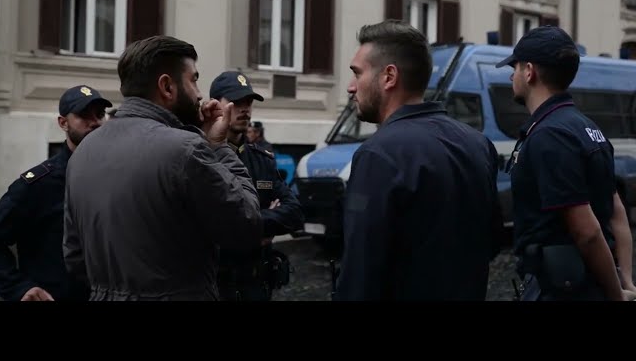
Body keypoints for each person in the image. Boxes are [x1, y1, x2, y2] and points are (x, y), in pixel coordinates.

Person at [63, 35, 262, 301]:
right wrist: (218, 145)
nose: (200, 94)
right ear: (167, 86)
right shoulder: (185, 149)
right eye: (193, 80)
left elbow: (75, 257)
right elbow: (245, 224)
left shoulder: (82, 152)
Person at [333, 20, 503, 301]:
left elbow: (361, 268)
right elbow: (493, 239)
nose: (351, 87)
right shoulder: (478, 143)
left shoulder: (378, 154)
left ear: (389, 76)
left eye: (357, 73)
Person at [496, 25, 636, 301]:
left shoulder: (548, 135)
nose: (511, 75)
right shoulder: (586, 126)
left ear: (529, 71)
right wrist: (626, 281)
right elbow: (616, 210)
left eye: (515, 67)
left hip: (562, 290)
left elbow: (587, 231)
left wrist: (616, 296)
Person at [0, 85, 112, 301]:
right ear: (63, 123)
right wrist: (19, 288)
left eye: (99, 114)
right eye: (84, 115)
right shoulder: (37, 185)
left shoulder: (117, 175)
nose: (94, 122)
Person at [209, 71, 304, 300]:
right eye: (236, 102)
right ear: (215, 106)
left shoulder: (261, 159)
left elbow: (294, 213)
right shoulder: (201, 157)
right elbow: (206, 225)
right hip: (217, 286)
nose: (245, 109)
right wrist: (259, 228)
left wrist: (254, 224)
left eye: (248, 102)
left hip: (256, 285)